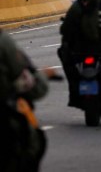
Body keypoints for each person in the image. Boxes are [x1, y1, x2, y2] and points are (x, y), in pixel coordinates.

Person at [0, 31, 49, 172]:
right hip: (5, 120)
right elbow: (27, 81)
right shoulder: (4, 42)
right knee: (31, 144)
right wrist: (43, 78)